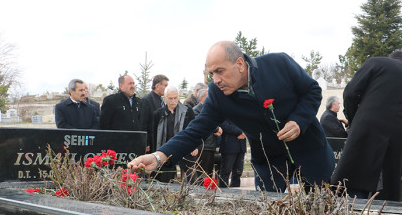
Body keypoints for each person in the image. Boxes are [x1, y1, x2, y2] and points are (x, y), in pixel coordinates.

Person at [128, 41, 335, 192]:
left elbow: (312, 91)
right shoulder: (218, 95)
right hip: (270, 164)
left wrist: (299, 120)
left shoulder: (278, 64)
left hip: (311, 151)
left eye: (220, 71)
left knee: (326, 210)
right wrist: (159, 156)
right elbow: (194, 131)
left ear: (239, 64)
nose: (215, 80)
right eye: (211, 74)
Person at [331, 51, 402, 200]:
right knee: (386, 194)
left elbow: (350, 93)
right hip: (394, 143)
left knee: (351, 182)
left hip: (364, 133)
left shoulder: (376, 63)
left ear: (391, 59)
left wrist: (354, 121)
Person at [151, 86, 197, 183]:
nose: (173, 101)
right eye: (170, 98)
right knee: (164, 179)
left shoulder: (188, 111)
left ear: (178, 97)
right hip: (167, 149)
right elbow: (154, 134)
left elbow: (195, 130)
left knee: (193, 178)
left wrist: (195, 146)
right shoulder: (158, 114)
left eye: (175, 98)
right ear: (165, 98)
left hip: (185, 148)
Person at [189, 88, 222, 180]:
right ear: (202, 98)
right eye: (209, 96)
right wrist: (216, 129)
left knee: (209, 173)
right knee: (201, 174)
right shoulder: (196, 110)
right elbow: (203, 123)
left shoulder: (210, 109)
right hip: (202, 146)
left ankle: (208, 192)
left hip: (211, 146)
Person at [139, 74, 169, 151]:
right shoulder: (146, 100)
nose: (167, 88)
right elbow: (143, 124)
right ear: (157, 86)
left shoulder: (161, 100)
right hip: (152, 142)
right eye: (165, 85)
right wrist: (146, 143)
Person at [218, 120, 247, 188]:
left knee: (238, 172)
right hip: (229, 145)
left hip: (241, 146)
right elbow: (223, 124)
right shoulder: (225, 110)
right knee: (226, 171)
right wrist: (240, 131)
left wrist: (246, 132)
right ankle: (223, 192)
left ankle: (236, 191)